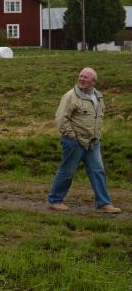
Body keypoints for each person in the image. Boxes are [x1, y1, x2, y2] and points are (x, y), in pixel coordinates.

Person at [47, 68, 121, 213]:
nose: (81, 79)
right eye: (80, 76)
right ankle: (55, 200)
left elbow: (100, 115)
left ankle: (103, 203)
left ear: (93, 81)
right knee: (67, 171)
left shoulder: (98, 96)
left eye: (85, 77)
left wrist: (97, 135)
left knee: (98, 171)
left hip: (93, 142)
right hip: (74, 142)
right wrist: (72, 136)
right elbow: (61, 119)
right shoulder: (70, 96)